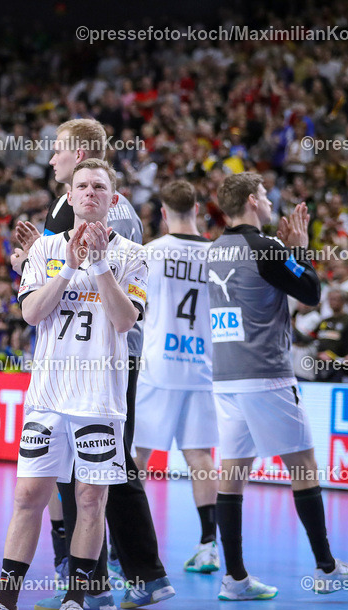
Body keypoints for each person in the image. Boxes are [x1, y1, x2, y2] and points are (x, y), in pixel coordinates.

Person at [0, 159, 148, 610]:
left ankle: (76, 602)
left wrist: (100, 266)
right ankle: (4, 607)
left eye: (99, 187)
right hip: (47, 397)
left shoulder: (134, 255)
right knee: (28, 498)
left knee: (90, 499)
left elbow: (125, 321)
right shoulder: (43, 249)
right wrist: (68, 268)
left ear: (114, 198)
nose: (89, 193)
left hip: (101, 400)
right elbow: (31, 312)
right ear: (70, 196)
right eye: (81, 186)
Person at [15, 119, 173, 610]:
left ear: (82, 154)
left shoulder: (111, 211)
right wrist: (32, 261)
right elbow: (58, 279)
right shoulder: (68, 203)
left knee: (104, 470)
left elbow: (109, 282)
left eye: (59, 150)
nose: (51, 159)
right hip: (69, 359)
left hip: (107, 357)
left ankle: (108, 581)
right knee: (91, 471)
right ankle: (99, 580)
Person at [208, 172, 348, 599]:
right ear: (249, 200)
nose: (269, 199)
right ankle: (326, 567)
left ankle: (235, 578)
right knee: (303, 467)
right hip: (266, 375)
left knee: (233, 474)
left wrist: (286, 252)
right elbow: (313, 291)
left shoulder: (214, 250)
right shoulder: (265, 247)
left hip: (225, 377)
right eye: (263, 194)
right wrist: (298, 248)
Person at [132, 180, 219, 573]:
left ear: (164, 213)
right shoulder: (217, 255)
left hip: (158, 366)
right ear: (196, 208)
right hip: (202, 367)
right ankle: (208, 546)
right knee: (201, 457)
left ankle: (124, 546)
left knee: (137, 457)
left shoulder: (150, 253)